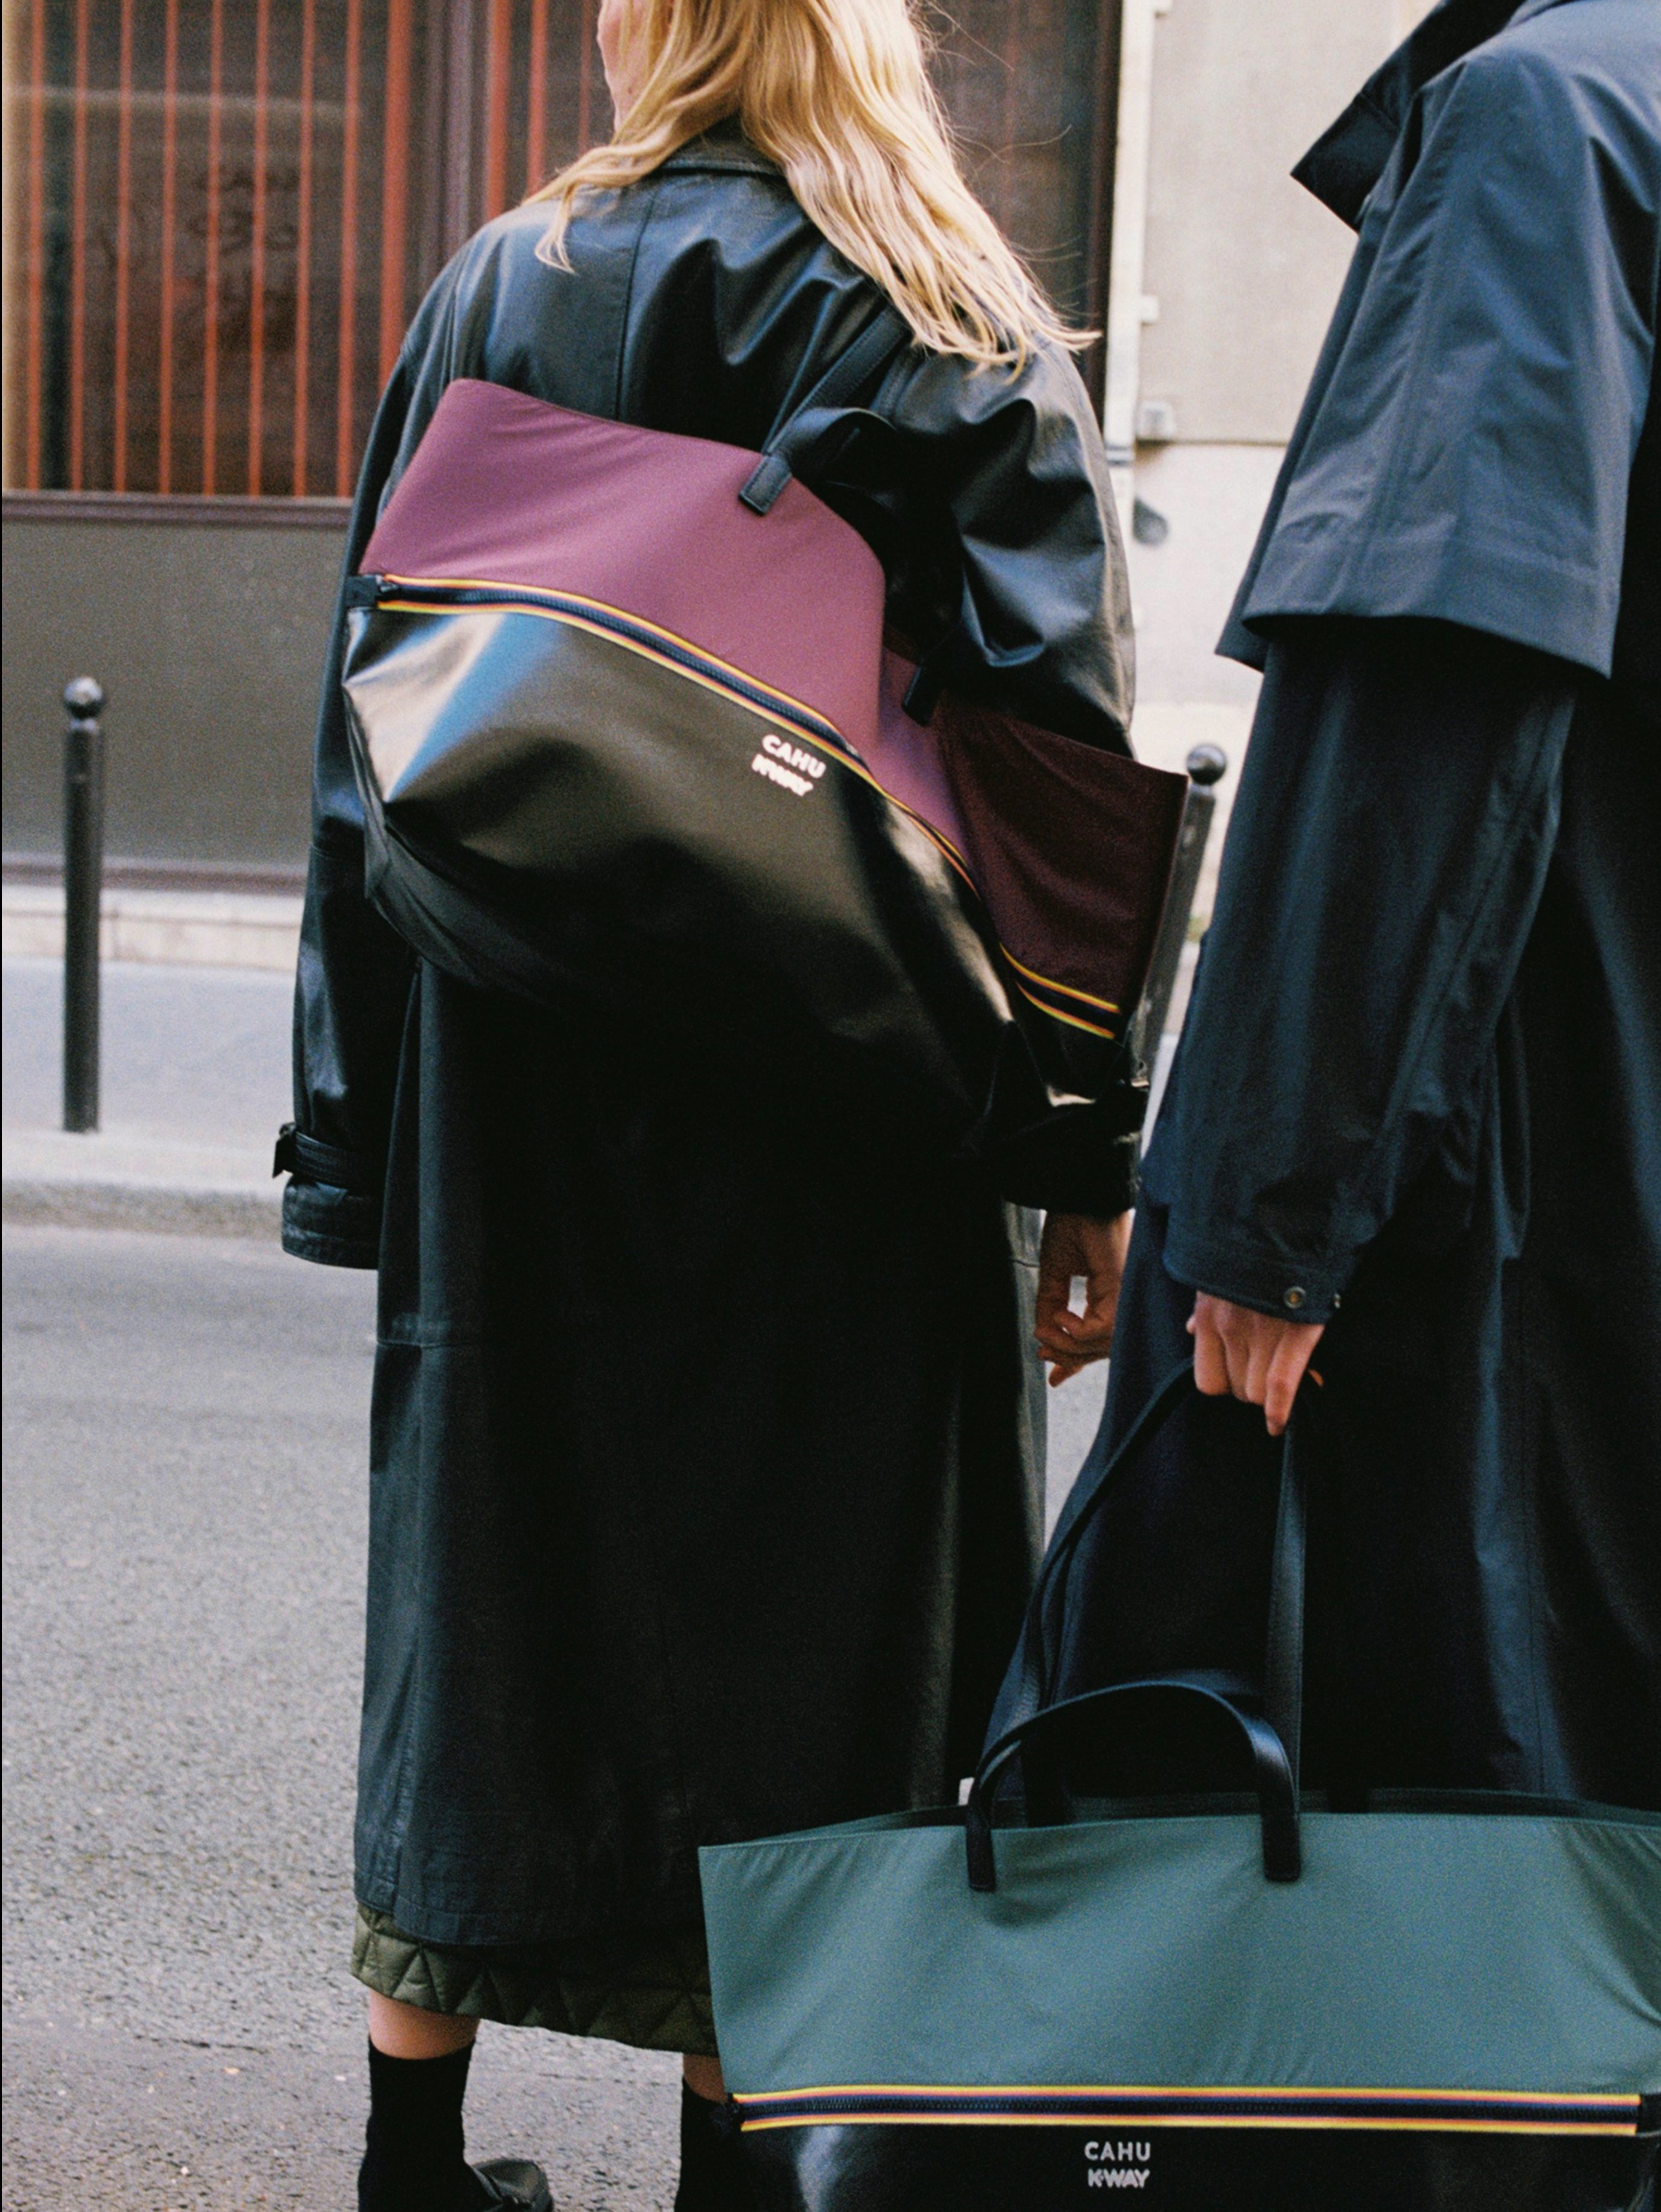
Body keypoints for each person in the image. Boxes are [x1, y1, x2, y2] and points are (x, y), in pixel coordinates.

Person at [276, 0, 1138, 2202]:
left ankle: (409, 2161)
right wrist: (1080, 1155)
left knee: (492, 1599)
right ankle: (734, 2175)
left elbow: (372, 717)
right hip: (846, 1104)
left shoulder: (505, 281)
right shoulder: (953, 320)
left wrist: (350, 1132)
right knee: (813, 1654)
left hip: (520, 1084)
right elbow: (1051, 785)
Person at [1002, 2, 1661, 2207]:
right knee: (1588, 1810)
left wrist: (1272, 1203)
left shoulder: (1550, 117)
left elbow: (1429, 681)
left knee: (1365, 1804)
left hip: (1481, 1162)